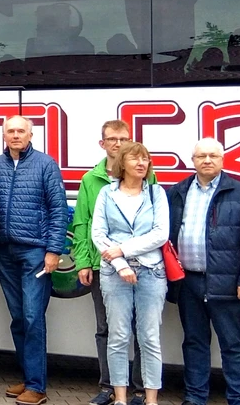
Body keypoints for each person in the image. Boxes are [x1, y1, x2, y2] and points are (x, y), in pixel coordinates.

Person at [167, 138, 240, 405]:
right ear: (193, 160)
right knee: (194, 342)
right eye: (201, 156)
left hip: (228, 283)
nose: (207, 160)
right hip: (188, 282)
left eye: (213, 156)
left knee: (232, 345)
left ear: (223, 160)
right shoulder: (178, 191)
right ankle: (195, 397)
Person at [0, 116, 68, 405]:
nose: (16, 135)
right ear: (4, 135)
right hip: (4, 251)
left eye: (21, 131)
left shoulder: (46, 164)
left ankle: (37, 386)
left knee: (33, 317)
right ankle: (29, 377)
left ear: (31, 134)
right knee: (19, 318)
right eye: (11, 131)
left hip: (35, 251)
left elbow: (58, 209)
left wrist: (54, 250)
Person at [70, 120, 150, 405]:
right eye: (112, 139)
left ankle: (141, 390)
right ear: (101, 143)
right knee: (106, 328)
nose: (118, 143)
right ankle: (109, 387)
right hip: (100, 264)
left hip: (141, 265)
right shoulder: (90, 180)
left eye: (123, 139)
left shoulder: (147, 178)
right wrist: (82, 262)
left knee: (141, 329)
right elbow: (82, 223)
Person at [92, 142, 170, 405]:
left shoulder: (157, 193)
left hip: (151, 271)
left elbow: (160, 234)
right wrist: (121, 264)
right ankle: (121, 398)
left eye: (145, 159)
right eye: (135, 159)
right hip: (115, 274)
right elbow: (98, 234)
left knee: (149, 336)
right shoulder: (106, 193)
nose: (141, 163)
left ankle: (151, 399)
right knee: (118, 335)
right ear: (122, 163)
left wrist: (123, 249)